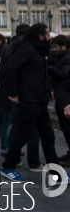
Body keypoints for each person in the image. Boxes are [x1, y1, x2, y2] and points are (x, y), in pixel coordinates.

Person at [0, 23, 62, 182]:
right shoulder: (28, 49)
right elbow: (8, 68)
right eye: (48, 34)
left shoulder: (38, 50)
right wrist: (13, 93)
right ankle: (8, 166)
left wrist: (48, 90)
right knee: (22, 134)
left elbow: (39, 74)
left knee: (48, 135)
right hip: (29, 101)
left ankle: (56, 172)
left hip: (39, 100)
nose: (50, 37)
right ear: (41, 36)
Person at [48, 35, 70, 165]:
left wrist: (48, 67)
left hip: (64, 98)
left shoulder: (67, 59)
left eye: (56, 47)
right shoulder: (59, 57)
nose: (54, 49)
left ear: (64, 46)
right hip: (61, 97)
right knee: (65, 128)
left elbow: (63, 76)